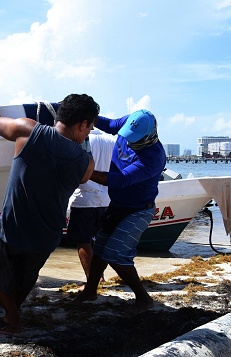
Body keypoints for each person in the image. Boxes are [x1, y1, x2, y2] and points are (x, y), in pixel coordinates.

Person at [0, 94, 98, 336]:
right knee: (26, 278)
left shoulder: (28, 130)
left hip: (11, 228)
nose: (88, 133)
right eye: (90, 128)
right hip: (47, 236)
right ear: (82, 124)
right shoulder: (86, 163)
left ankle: (13, 320)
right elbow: (81, 176)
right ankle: (11, 313)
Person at [75, 109, 166, 315]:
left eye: (134, 139)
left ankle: (144, 299)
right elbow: (107, 124)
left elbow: (120, 179)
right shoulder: (131, 122)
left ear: (150, 136)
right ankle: (90, 291)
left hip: (138, 210)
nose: (129, 140)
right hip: (117, 204)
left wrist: (82, 170)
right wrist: (80, 109)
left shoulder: (153, 157)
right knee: (99, 249)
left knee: (116, 254)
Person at [66, 129, 116, 288]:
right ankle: (100, 276)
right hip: (106, 199)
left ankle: (93, 280)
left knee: (83, 241)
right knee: (101, 242)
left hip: (84, 199)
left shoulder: (79, 138)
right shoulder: (111, 140)